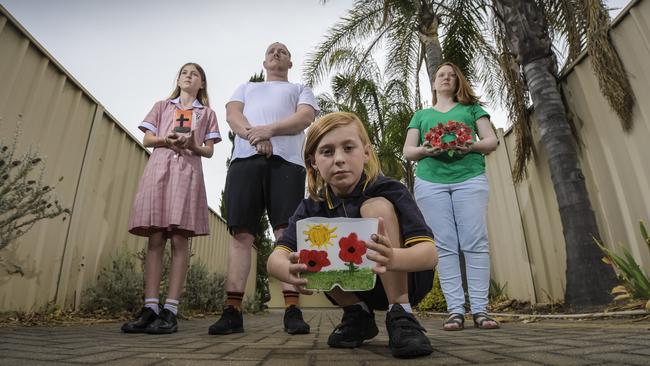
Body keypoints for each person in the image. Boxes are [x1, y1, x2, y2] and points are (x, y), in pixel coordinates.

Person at [267, 112, 438, 358]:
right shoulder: (311, 207)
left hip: (406, 280)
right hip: (356, 287)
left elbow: (429, 254)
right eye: (326, 152)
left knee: (375, 208)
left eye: (348, 148)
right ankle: (357, 313)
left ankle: (401, 313)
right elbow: (274, 259)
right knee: (316, 236)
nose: (339, 159)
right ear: (313, 161)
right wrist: (289, 270)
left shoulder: (391, 190)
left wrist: (393, 258)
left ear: (366, 153)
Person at [208, 42, 319, 335]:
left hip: (287, 162)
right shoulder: (246, 87)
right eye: (271, 50)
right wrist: (255, 137)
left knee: (286, 233)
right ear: (264, 61)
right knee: (242, 233)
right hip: (245, 160)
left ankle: (292, 310)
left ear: (290, 63)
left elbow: (304, 118)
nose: (276, 53)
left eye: (283, 51)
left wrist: (269, 131)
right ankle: (232, 310)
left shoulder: (299, 89)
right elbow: (233, 115)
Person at [122, 63, 221, 334]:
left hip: (187, 172)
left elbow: (209, 151)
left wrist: (192, 145)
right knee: (155, 238)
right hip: (160, 171)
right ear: (178, 79)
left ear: (202, 84)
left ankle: (171, 310)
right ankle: (150, 307)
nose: (189, 76)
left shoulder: (207, 113)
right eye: (184, 73)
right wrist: (166, 139)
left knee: (179, 239)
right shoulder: (162, 106)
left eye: (195, 74)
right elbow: (147, 139)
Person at [403, 61, 499, 331]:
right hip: (430, 183)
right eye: (440, 75)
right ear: (434, 84)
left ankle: (481, 310)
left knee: (475, 241)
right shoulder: (421, 115)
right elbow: (408, 151)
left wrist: (470, 146)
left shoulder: (472, 110)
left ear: (457, 82)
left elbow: (491, 141)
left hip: (469, 179)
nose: (445, 78)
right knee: (444, 246)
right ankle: (455, 310)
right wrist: (425, 150)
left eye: (451, 75)